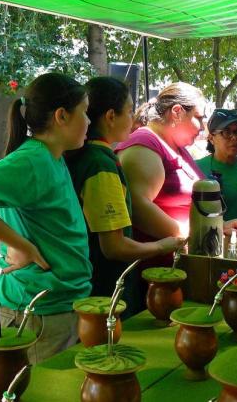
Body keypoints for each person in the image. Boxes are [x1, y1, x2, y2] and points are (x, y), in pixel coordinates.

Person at [0, 73, 93, 362]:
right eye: (84, 113)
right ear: (61, 116)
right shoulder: (33, 160)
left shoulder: (52, 156)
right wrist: (20, 245)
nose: (89, 122)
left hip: (56, 305)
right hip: (35, 310)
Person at [67, 77, 186, 317]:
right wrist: (162, 245)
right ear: (111, 116)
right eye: (130, 111)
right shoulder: (100, 164)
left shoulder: (87, 156)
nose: (133, 119)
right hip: (104, 292)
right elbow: (114, 246)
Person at [115, 83, 237, 250]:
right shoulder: (144, 144)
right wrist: (194, 234)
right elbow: (138, 207)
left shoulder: (176, 147)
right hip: (157, 269)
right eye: (198, 118)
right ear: (177, 112)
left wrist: (220, 225)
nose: (203, 127)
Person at [196, 109, 237, 226]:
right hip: (213, 240)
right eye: (226, 132)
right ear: (211, 138)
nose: (234, 137)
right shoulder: (198, 168)